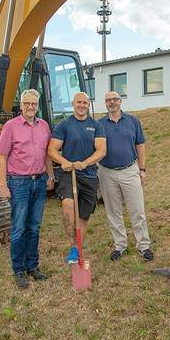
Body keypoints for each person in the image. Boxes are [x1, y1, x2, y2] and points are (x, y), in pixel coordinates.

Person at [0, 89, 55, 289]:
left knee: (34, 226)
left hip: (39, 181)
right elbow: (1, 156)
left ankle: (33, 266)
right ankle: (19, 270)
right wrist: (2, 184)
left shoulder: (44, 126)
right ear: (21, 105)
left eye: (34, 104)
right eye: (27, 104)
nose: (31, 107)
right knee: (19, 228)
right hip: (18, 183)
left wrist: (50, 175)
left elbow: (47, 154)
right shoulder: (11, 127)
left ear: (37, 106)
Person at [47, 92, 106, 264]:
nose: (81, 105)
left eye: (85, 102)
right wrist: (64, 162)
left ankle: (77, 248)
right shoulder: (64, 124)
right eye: (78, 102)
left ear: (89, 104)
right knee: (68, 204)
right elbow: (51, 150)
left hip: (88, 175)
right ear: (73, 104)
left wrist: (85, 163)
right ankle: (73, 244)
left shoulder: (96, 125)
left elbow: (102, 150)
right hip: (69, 174)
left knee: (84, 216)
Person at [97, 91, 153, 261]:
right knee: (113, 211)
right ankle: (120, 245)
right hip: (107, 172)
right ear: (105, 103)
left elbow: (140, 145)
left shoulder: (133, 121)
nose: (111, 102)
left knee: (137, 210)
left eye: (114, 99)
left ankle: (143, 245)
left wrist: (142, 169)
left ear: (120, 102)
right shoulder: (99, 124)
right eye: (108, 100)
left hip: (130, 170)